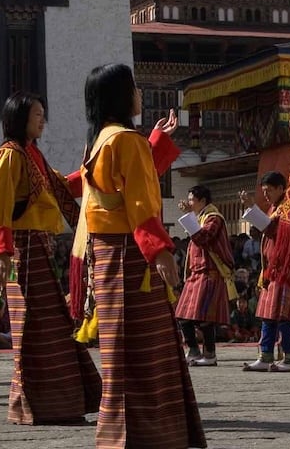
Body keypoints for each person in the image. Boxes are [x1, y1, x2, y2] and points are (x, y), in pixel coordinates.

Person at [74, 63, 205, 449]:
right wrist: (160, 250)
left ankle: (118, 429)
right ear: (120, 95)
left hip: (106, 256)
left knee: (120, 347)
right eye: (134, 87)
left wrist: (157, 140)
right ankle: (152, 430)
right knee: (146, 347)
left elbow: (127, 182)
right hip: (132, 257)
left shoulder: (98, 140)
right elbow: (139, 202)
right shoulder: (126, 141)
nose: (140, 94)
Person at [0, 92, 105, 424]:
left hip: (39, 248)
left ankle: (54, 403)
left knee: (49, 326)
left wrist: (96, 168)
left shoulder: (32, 154)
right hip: (22, 251)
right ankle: (38, 404)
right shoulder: (10, 156)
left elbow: (62, 186)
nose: (42, 121)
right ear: (20, 117)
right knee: (36, 327)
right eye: (37, 114)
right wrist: (0, 253)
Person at [241, 171, 290, 372]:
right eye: (264, 191)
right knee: (268, 315)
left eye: (269, 190)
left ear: (281, 188)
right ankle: (265, 356)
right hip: (272, 269)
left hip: (285, 270)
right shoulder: (276, 207)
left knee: (283, 317)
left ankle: (287, 359)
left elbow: (273, 230)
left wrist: (252, 208)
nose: (266, 195)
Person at [175, 185, 236, 368]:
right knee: (183, 315)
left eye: (192, 200)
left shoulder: (214, 218)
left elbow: (204, 237)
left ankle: (210, 354)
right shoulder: (199, 217)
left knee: (205, 317)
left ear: (202, 201)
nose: (189, 203)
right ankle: (193, 350)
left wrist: (189, 216)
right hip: (195, 273)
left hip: (210, 272)